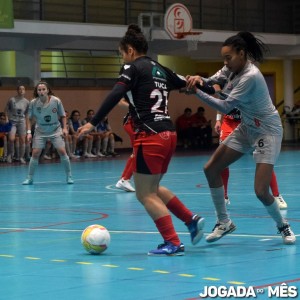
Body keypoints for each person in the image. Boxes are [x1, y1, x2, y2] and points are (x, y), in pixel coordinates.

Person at [78, 24, 205, 256]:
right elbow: (192, 83)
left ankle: (173, 242)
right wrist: (213, 85)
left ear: (129, 50)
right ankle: (190, 219)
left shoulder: (132, 67)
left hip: (150, 134)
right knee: (153, 188)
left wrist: (93, 122)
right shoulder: (161, 68)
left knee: (144, 193)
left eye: (121, 54)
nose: (121, 59)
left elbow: (116, 93)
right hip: (169, 134)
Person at [186, 31, 295, 245]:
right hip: (247, 127)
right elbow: (213, 80)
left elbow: (225, 106)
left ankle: (283, 225)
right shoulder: (231, 68)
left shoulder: (250, 76)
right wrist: (199, 80)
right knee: (211, 168)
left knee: (261, 191)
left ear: (242, 54)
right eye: (224, 58)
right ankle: (224, 221)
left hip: (267, 130)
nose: (225, 62)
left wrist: (196, 92)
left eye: (229, 58)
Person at [215, 109, 288, 209]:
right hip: (229, 124)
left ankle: (276, 195)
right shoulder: (223, 92)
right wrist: (218, 120)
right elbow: (219, 101)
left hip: (247, 123)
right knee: (222, 160)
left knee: (264, 160)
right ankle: (224, 197)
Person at [22, 81, 74, 185]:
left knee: (62, 151)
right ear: (37, 92)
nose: (41, 91)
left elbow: (63, 115)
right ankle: (29, 178)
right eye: (39, 90)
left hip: (55, 129)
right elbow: (29, 118)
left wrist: (64, 128)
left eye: (43, 89)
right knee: (35, 153)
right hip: (40, 130)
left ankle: (69, 176)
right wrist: (28, 132)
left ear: (48, 90)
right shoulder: (33, 103)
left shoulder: (56, 101)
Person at [5, 85, 29, 164]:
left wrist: (27, 124)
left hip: (21, 121)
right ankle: (9, 155)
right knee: (11, 139)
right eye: (20, 89)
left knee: (23, 139)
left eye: (23, 89)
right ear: (17, 90)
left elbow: (27, 114)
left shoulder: (26, 102)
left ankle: (21, 157)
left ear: (25, 91)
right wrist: (7, 119)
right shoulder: (12, 100)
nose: (21, 90)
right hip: (12, 121)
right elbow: (6, 110)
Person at [115, 98, 135, 192]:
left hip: (137, 124)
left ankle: (123, 179)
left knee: (136, 153)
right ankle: (125, 179)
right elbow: (121, 101)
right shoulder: (137, 86)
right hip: (132, 124)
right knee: (138, 153)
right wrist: (134, 107)